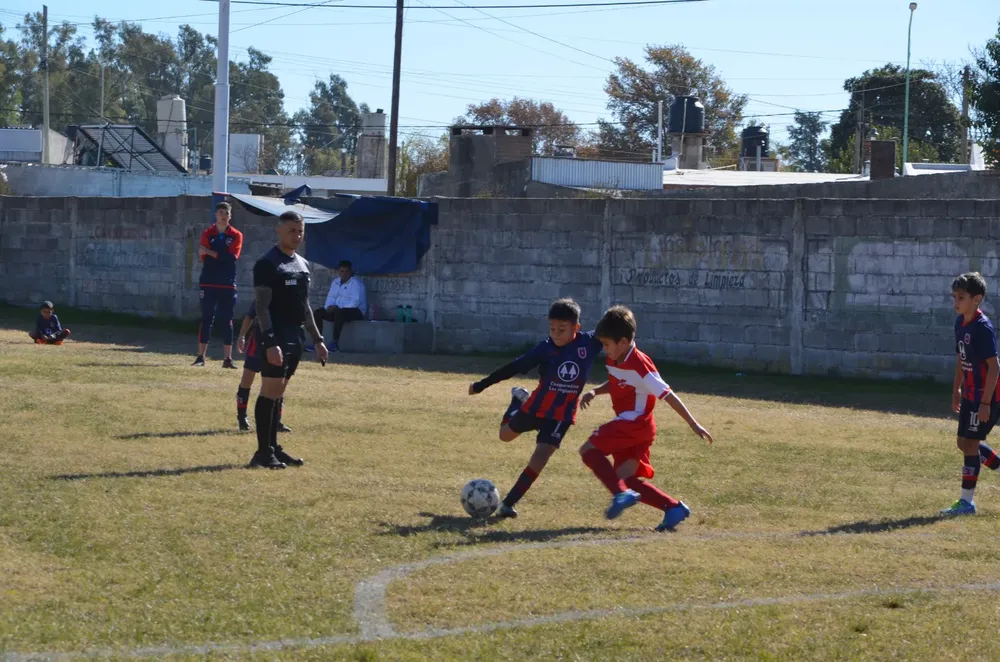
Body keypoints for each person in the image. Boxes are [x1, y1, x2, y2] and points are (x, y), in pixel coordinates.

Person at [578, 305, 713, 530]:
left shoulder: (641, 365)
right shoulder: (615, 357)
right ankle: (673, 508)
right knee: (626, 479)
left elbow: (668, 395)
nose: (604, 349)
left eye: (606, 344)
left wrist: (693, 423)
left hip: (634, 423)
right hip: (639, 427)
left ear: (622, 342)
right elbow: (618, 383)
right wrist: (595, 391)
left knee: (588, 450)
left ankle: (620, 495)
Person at [468, 298, 602, 518]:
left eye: (562, 329)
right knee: (505, 436)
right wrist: (482, 385)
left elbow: (613, 324)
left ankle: (508, 504)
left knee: (541, 456)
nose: (556, 334)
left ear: (576, 328)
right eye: (552, 328)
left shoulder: (590, 342)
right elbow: (513, 367)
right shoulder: (545, 348)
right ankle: (517, 401)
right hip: (536, 407)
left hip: (561, 415)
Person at [249, 210, 329, 469]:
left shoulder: (303, 265)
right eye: (292, 230)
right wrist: (270, 342)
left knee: (279, 392)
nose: (297, 235)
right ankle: (262, 453)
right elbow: (261, 308)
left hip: (295, 335)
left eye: (300, 231)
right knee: (270, 391)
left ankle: (274, 449)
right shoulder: (267, 263)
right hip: (276, 334)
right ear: (279, 230)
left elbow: (305, 306)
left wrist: (317, 339)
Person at [942, 272, 1000, 516]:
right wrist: (957, 388)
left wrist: (986, 402)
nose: (956, 301)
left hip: (986, 396)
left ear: (976, 299)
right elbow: (960, 357)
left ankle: (966, 503)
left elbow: (995, 366)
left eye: (961, 297)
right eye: (954, 296)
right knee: (963, 442)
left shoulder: (982, 328)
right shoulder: (960, 323)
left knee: (971, 444)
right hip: (969, 395)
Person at [194, 201, 243, 368]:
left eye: (226, 213)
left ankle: (227, 359)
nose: (223, 216)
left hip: (227, 282)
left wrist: (210, 252)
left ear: (230, 216)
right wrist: (215, 255)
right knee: (207, 318)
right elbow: (205, 257)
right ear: (215, 215)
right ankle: (201, 357)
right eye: (220, 212)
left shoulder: (236, 235)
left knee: (227, 319)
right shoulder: (207, 233)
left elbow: (231, 258)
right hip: (208, 281)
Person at [234, 301, 291, 434]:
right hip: (257, 344)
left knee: (278, 385)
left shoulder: (288, 297)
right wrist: (242, 336)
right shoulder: (263, 296)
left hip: (279, 344)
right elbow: (249, 316)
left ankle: (276, 420)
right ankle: (242, 417)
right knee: (246, 381)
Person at [311, 260, 366, 352]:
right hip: (337, 310)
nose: (344, 274)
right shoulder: (335, 282)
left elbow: (354, 303)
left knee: (339, 312)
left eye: (346, 271)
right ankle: (318, 342)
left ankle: (334, 343)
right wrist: (328, 307)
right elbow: (331, 297)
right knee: (318, 313)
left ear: (350, 271)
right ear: (338, 271)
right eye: (341, 271)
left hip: (356, 311)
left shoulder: (356, 283)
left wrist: (337, 307)